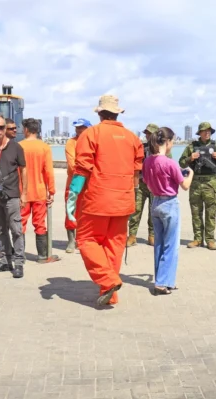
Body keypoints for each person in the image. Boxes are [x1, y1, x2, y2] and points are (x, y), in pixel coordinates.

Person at [67, 95, 144, 306]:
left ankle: (109, 280)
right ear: (118, 113)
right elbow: (136, 173)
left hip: (97, 200)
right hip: (124, 201)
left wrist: (72, 196)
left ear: (100, 113)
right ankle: (111, 293)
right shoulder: (132, 138)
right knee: (114, 245)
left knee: (86, 241)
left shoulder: (91, 134)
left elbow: (82, 168)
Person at [142, 127, 194, 295]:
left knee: (159, 243)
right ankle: (163, 282)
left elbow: (148, 183)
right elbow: (185, 185)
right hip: (169, 203)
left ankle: (165, 279)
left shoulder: (148, 161)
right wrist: (190, 173)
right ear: (168, 142)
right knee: (171, 245)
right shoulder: (170, 162)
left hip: (156, 201)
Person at [0, 114, 28, 278]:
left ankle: (18, 262)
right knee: (0, 229)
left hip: (12, 195)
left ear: (5, 128)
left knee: (16, 229)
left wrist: (24, 193)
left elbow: (23, 169)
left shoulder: (16, 148)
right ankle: (5, 260)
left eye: (1, 127)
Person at [178, 122, 216, 250]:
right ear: (199, 133)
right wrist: (191, 158)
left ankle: (210, 239)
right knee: (196, 212)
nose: (207, 133)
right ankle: (197, 238)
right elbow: (181, 163)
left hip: (210, 182)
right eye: (205, 131)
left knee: (210, 212)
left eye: (209, 131)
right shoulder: (192, 147)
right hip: (195, 182)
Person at [19, 118, 57, 263]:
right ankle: (42, 255)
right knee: (40, 223)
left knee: (20, 223)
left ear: (26, 130)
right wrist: (51, 191)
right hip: (40, 192)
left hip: (22, 192)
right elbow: (48, 171)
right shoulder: (44, 147)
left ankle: (19, 256)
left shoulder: (18, 146)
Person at [128, 123, 163, 247]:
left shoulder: (162, 149)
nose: (148, 136)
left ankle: (152, 236)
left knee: (153, 211)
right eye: (147, 133)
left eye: (151, 133)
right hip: (141, 184)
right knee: (135, 210)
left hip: (155, 186)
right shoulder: (140, 147)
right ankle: (132, 236)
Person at [64, 118, 92, 254]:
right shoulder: (71, 142)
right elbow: (72, 163)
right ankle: (71, 240)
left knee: (87, 211)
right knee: (71, 210)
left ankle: (83, 239)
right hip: (74, 180)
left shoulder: (93, 141)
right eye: (77, 128)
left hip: (90, 183)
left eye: (81, 127)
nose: (78, 130)